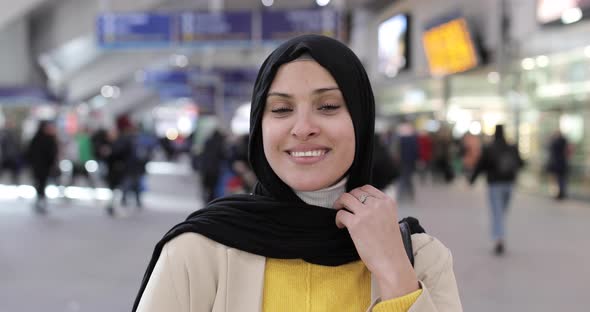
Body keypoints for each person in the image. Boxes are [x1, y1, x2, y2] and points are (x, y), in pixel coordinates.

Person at [133, 35, 462, 312]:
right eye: (281, 109)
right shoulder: (201, 251)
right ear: (260, 126)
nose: (303, 128)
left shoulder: (421, 258)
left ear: (361, 122)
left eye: (328, 106)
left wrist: (396, 275)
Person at [470, 125, 523, 256]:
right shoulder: (511, 147)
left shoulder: (489, 148)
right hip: (509, 184)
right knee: (502, 212)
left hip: (494, 184)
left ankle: (499, 238)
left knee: (497, 213)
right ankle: (500, 235)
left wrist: (472, 179)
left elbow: (481, 165)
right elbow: (520, 163)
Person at [26, 120, 58, 214]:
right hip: (37, 166)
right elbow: (30, 152)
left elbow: (53, 153)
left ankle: (41, 201)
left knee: (42, 183)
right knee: (39, 183)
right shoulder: (37, 138)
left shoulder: (50, 138)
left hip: (45, 166)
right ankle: (39, 201)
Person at [546, 130, 571, 200]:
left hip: (555, 164)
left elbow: (550, 151)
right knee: (561, 180)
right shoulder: (564, 142)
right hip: (562, 164)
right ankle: (561, 193)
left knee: (556, 180)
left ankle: (557, 193)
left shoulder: (554, 142)